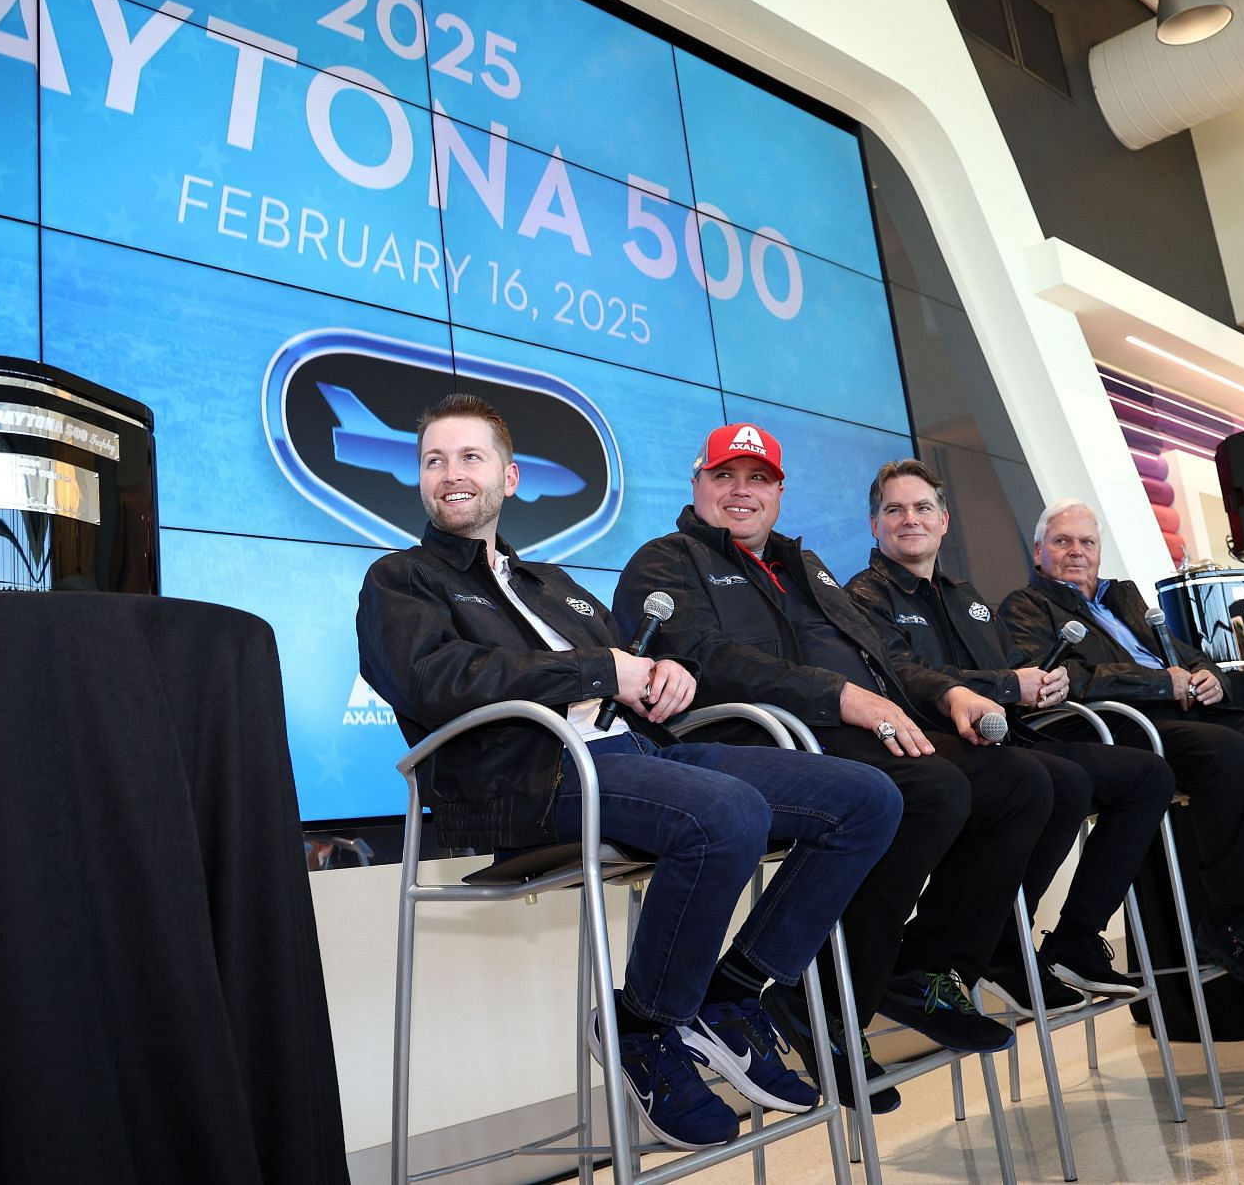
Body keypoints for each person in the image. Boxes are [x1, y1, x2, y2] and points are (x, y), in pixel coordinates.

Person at [356, 395, 903, 1151]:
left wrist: (661, 676)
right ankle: (643, 1027)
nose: (451, 475)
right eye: (434, 460)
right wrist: (597, 667)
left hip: (641, 756)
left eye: (470, 458)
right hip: (531, 778)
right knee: (726, 814)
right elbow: (436, 681)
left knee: (867, 799)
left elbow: (626, 672)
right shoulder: (400, 580)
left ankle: (732, 995)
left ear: (510, 477)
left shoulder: (554, 584)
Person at [614, 423, 1052, 1109]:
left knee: (1022, 784)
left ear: (780, 493)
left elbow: (885, 655)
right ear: (696, 483)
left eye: (758, 479)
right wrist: (840, 697)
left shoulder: (805, 564)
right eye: (725, 476)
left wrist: (948, 693)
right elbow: (703, 657)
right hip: (765, 741)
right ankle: (824, 995)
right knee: (931, 791)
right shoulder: (665, 561)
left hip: (851, 731)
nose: (741, 492)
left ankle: (923, 968)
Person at [846, 462, 1177, 1016]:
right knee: (1058, 782)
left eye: (923, 507)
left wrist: (1044, 684)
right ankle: (988, 944)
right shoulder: (865, 597)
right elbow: (897, 676)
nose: (911, 519)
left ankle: (1066, 938)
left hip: (1009, 736)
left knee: (1149, 776)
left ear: (945, 520)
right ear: (874, 524)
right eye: (895, 510)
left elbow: (1016, 668)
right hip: (935, 746)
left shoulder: (966, 597)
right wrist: (1006, 683)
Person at [999, 499, 1244, 991]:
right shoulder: (1025, 606)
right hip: (1119, 725)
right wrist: (1159, 684)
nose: (1076, 552)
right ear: (1038, 553)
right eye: (1062, 541)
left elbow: (1186, 654)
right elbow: (1058, 676)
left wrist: (1209, 676)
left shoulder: (1126, 600)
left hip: (1183, 714)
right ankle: (1232, 918)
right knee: (1222, 751)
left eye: (1087, 542)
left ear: (1099, 552)